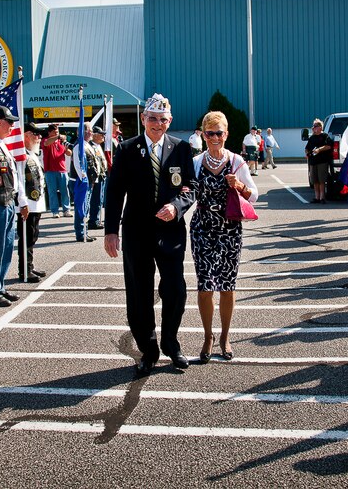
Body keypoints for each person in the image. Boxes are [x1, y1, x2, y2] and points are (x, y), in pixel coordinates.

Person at [104, 93, 196, 374]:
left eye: (163, 119)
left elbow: (191, 187)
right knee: (139, 293)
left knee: (175, 290)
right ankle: (149, 349)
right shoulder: (127, 149)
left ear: (170, 121)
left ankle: (171, 342)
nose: (157, 124)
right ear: (143, 119)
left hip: (170, 232)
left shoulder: (181, 148)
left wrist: (176, 206)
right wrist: (110, 231)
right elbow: (115, 191)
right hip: (136, 232)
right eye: (152, 118)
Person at [191, 111, 258, 363]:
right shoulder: (196, 162)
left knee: (227, 287)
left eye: (219, 133)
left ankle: (225, 336)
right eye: (210, 133)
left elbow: (254, 195)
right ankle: (208, 336)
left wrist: (239, 186)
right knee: (205, 286)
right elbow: (186, 192)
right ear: (203, 135)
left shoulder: (237, 161)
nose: (215, 137)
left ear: (227, 134)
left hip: (229, 229)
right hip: (202, 228)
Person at [0, 106, 28, 306]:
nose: (12, 125)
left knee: (7, 247)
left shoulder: (2, 145)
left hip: (8, 202)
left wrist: (21, 201)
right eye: (9, 121)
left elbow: (13, 176)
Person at [19, 121, 47, 283]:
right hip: (28, 204)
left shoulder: (32, 154)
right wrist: (23, 202)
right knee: (27, 237)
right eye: (35, 135)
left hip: (36, 203)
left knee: (33, 236)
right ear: (26, 136)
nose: (39, 138)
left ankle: (29, 266)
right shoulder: (21, 155)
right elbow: (20, 181)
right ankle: (25, 270)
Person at [69, 122, 97, 242]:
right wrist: (84, 179)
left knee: (85, 207)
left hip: (87, 181)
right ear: (84, 132)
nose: (92, 132)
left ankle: (84, 231)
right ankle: (80, 234)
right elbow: (78, 164)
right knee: (81, 207)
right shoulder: (78, 146)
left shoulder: (86, 145)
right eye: (90, 130)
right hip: (80, 182)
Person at [42, 123, 72, 218]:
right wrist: (58, 136)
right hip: (50, 170)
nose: (57, 134)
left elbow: (69, 153)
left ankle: (66, 210)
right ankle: (55, 211)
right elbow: (46, 143)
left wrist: (66, 148)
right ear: (49, 133)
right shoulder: (45, 141)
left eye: (58, 132)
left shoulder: (61, 142)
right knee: (52, 192)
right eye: (54, 132)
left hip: (62, 170)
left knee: (65, 191)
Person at [305, 119, 332, 203]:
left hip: (322, 161)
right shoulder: (312, 138)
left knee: (321, 180)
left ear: (320, 127)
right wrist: (307, 153)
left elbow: (329, 146)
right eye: (313, 126)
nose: (313, 128)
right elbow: (307, 148)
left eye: (315, 126)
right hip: (313, 162)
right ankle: (316, 197)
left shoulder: (325, 136)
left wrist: (319, 150)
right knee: (315, 181)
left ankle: (322, 197)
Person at [89, 126, 109, 230]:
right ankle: (93, 221)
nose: (103, 136)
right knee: (95, 200)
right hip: (96, 177)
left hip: (102, 176)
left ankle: (96, 219)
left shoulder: (98, 146)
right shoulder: (91, 146)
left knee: (99, 200)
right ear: (94, 135)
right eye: (101, 134)